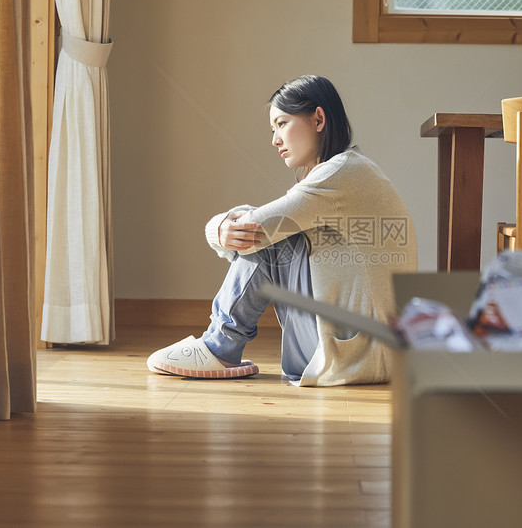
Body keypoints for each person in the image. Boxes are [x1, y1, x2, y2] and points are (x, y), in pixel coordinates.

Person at [146, 75, 417, 385]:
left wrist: (217, 228)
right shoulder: (345, 171)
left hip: (355, 355)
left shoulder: (342, 171)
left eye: (282, 123)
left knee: (269, 235)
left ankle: (220, 346)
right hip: (366, 352)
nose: (275, 139)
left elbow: (255, 229)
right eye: (273, 129)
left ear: (318, 119)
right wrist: (221, 229)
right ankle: (220, 345)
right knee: (276, 231)